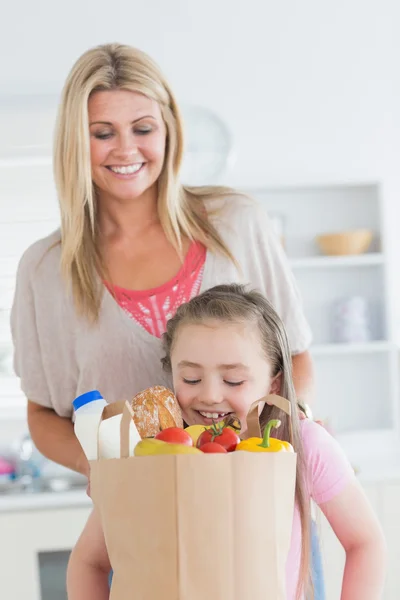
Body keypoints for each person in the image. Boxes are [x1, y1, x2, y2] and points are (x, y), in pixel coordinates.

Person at [10, 42, 319, 589]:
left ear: (170, 129)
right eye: (102, 132)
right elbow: (43, 414)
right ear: (73, 143)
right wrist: (114, 472)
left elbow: (294, 359)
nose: (124, 148)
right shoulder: (45, 269)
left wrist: (262, 451)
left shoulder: (236, 223)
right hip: (140, 531)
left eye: (142, 127)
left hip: (258, 520)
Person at [66, 284, 386, 600]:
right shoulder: (151, 456)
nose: (210, 395)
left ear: (273, 381)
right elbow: (89, 562)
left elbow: (365, 541)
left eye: (233, 380)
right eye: (191, 378)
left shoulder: (302, 445)